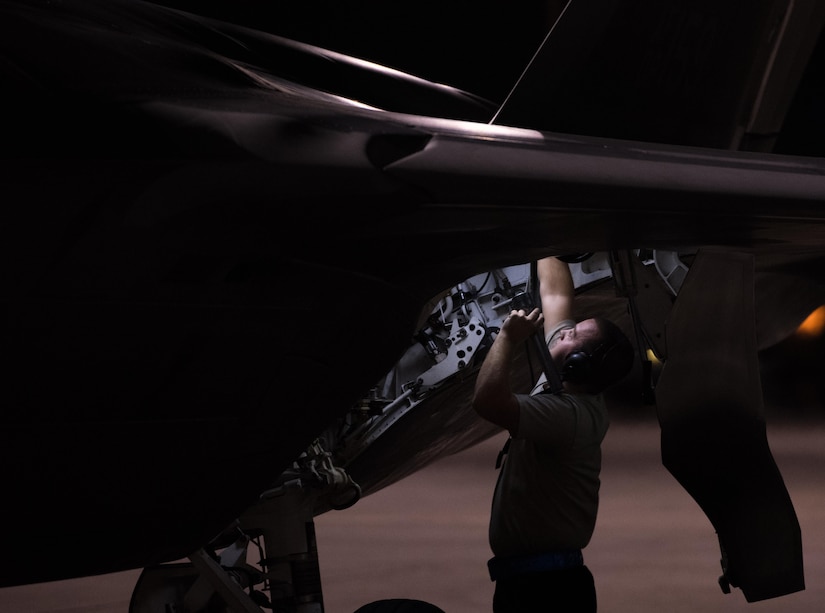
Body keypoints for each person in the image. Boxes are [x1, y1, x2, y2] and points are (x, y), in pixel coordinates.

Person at [472, 256, 634, 612]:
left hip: (545, 592)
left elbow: (487, 400)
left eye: (572, 335)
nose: (564, 331)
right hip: (536, 580)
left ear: (577, 365)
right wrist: (545, 241)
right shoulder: (568, 385)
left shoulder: (568, 415)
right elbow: (557, 294)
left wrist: (507, 337)